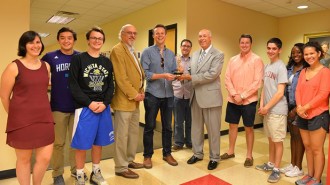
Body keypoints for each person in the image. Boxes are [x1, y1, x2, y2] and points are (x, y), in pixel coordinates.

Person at [0, 31, 54, 184]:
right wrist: (14, 117)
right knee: (24, 160)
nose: (35, 45)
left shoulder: (46, 66)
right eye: (31, 42)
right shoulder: (14, 67)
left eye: (38, 42)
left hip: (44, 118)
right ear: (24, 46)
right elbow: (4, 96)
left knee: (45, 158)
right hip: (22, 121)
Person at [69, 26, 114, 185]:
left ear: (103, 41)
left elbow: (110, 86)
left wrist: (105, 103)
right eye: (94, 38)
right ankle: (80, 174)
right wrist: (89, 103)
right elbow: (73, 85)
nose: (97, 41)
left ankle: (96, 172)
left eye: (100, 38)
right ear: (88, 40)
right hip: (85, 108)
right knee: (82, 144)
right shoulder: (78, 59)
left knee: (98, 142)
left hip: (103, 108)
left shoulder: (107, 62)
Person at [41, 27, 86, 185]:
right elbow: (39, 74)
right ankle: (57, 174)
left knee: (76, 142)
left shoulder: (81, 56)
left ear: (74, 40)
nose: (66, 41)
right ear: (58, 40)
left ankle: (76, 170)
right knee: (58, 143)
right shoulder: (50, 57)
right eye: (63, 38)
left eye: (69, 38)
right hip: (58, 107)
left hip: (78, 107)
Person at [179, 29, 224, 170]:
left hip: (211, 98)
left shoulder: (218, 54)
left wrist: (190, 77)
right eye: (199, 36)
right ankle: (197, 154)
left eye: (204, 36)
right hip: (195, 97)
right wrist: (182, 75)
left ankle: (214, 157)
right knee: (196, 129)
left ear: (210, 38)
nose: (202, 38)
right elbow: (193, 73)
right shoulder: (195, 54)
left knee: (213, 130)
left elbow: (212, 74)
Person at [220, 34, 264, 168]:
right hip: (233, 100)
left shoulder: (257, 60)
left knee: (248, 128)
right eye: (242, 42)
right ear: (239, 44)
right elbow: (227, 78)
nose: (244, 45)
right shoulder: (233, 60)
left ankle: (249, 155)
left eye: (247, 43)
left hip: (249, 101)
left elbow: (258, 82)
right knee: (232, 126)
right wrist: (234, 94)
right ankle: (231, 151)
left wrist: (242, 96)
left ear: (251, 44)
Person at [110, 24, 145, 179]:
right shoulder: (117, 50)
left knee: (133, 133)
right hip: (124, 101)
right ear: (122, 34)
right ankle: (120, 166)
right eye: (129, 33)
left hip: (135, 100)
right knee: (121, 136)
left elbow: (138, 74)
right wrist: (134, 94)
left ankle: (129, 160)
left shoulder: (131, 50)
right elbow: (121, 78)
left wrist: (141, 90)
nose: (132, 36)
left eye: (134, 33)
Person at [141, 24, 178, 169]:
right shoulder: (147, 52)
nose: (160, 35)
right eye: (157, 33)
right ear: (153, 36)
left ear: (166, 35)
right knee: (149, 126)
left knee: (167, 127)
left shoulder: (171, 54)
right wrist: (163, 75)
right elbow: (146, 74)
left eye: (162, 33)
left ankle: (167, 153)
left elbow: (174, 71)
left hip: (169, 95)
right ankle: (147, 156)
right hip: (152, 94)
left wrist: (177, 75)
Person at [294, 42, 330, 185]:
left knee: (316, 149)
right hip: (302, 114)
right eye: (306, 54)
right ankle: (309, 174)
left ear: (319, 54)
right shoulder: (303, 71)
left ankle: (316, 178)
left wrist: (306, 107)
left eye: (311, 53)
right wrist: (299, 107)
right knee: (307, 147)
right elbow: (298, 91)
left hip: (318, 114)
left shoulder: (325, 72)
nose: (308, 56)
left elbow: (323, 94)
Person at [255, 38, 288, 183]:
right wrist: (262, 105)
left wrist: (267, 107)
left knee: (277, 140)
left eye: (274, 48)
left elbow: (280, 92)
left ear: (279, 50)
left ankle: (276, 169)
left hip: (277, 110)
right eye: (268, 48)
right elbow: (264, 89)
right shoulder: (268, 66)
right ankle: (270, 163)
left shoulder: (281, 67)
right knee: (270, 139)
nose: (270, 51)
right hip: (267, 110)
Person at [279, 43, 309, 178]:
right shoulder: (289, 68)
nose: (296, 55)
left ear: (303, 53)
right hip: (288, 105)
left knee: (299, 138)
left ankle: (299, 167)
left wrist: (296, 109)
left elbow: (306, 92)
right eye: (293, 53)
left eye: (298, 52)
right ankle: (292, 164)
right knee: (293, 137)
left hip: (300, 107)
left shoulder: (306, 69)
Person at [172, 39, 193, 151]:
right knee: (178, 122)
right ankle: (178, 143)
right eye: (184, 46)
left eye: (188, 46)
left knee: (190, 121)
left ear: (190, 48)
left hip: (190, 95)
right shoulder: (175, 60)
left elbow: (195, 76)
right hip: (177, 94)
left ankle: (189, 142)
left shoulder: (194, 61)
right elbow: (170, 75)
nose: (185, 48)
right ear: (180, 47)